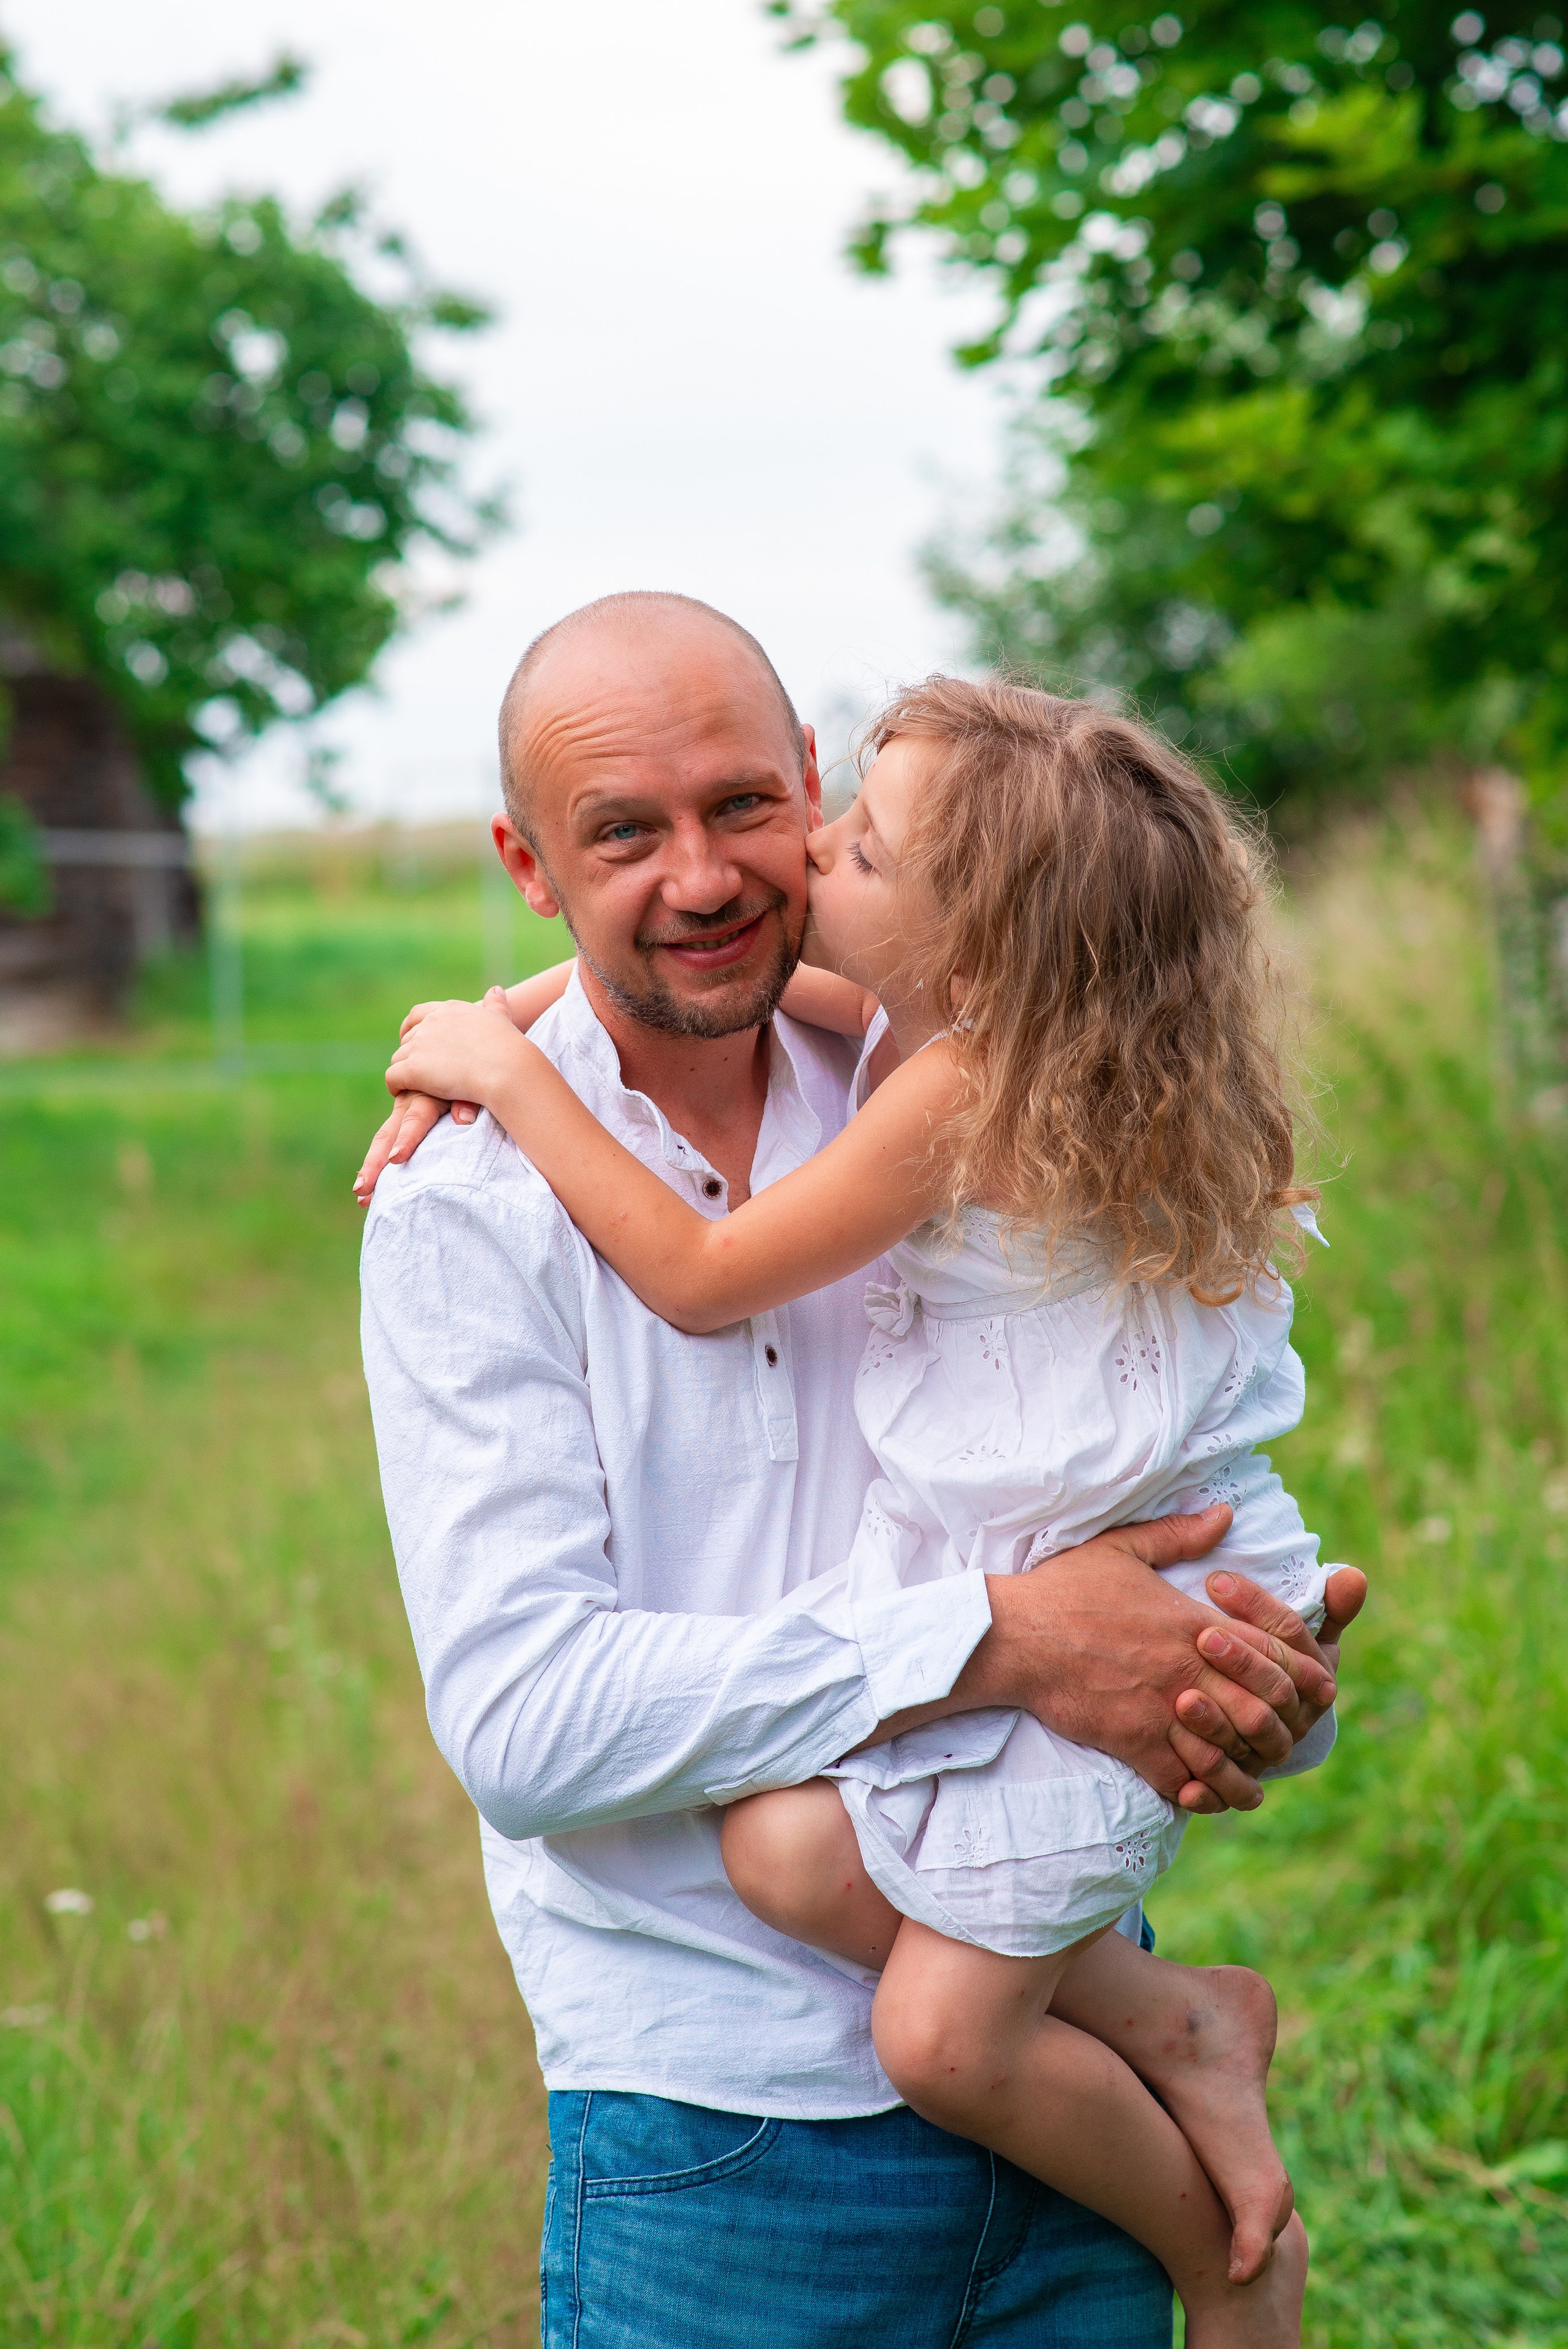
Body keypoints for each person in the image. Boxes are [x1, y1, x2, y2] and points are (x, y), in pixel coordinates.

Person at [358, 593, 1363, 2349]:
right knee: (781, 1852)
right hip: (719, 2146)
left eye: (748, 807)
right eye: (621, 833)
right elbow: (524, 1723)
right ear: (530, 861)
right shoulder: (470, 1200)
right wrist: (1004, 1635)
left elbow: (1155, 1532)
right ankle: (1219, 2190)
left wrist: (1225, 1684)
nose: (706, 874)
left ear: (816, 796)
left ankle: (1213, 2184)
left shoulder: (945, 1062)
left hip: (1052, 2064)